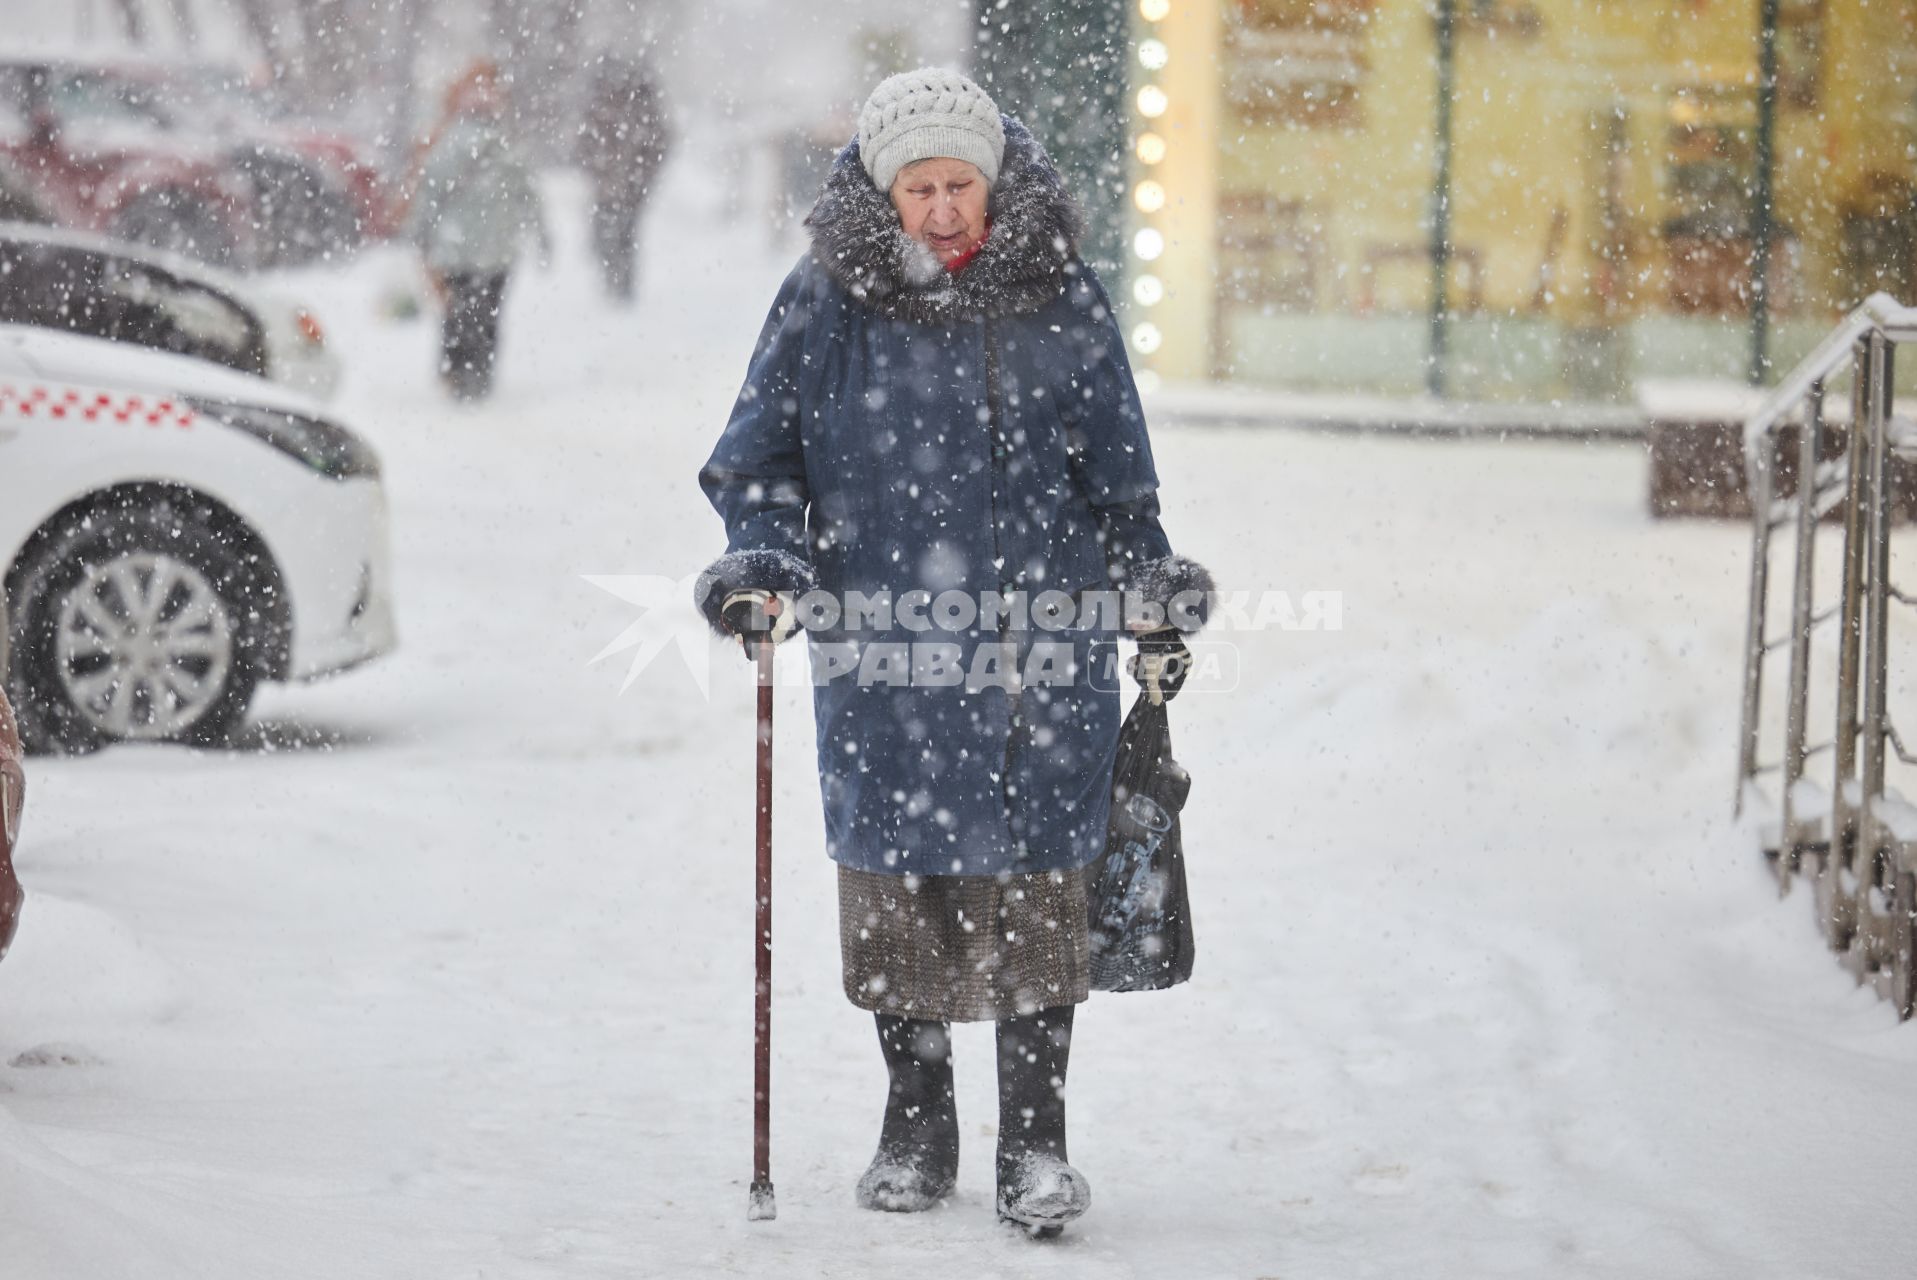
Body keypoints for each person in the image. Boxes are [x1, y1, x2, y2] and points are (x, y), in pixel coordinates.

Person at [693, 68, 1211, 1236]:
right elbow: (758, 460)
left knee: (1040, 882)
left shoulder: (1059, 295)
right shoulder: (827, 298)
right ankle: (916, 1120)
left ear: (994, 181)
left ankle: (1036, 1140)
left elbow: (1122, 476)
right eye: (918, 187)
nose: (940, 209)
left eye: (958, 184)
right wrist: (765, 563)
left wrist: (1147, 579)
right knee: (896, 879)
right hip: (888, 647)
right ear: (884, 193)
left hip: (1044, 640)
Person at [406, 61, 547, 401]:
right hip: (498, 250)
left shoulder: (449, 144)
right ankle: (481, 375)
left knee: (456, 314)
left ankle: (455, 372)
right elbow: (528, 195)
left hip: (456, 250)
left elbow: (430, 191)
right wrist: (542, 235)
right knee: (489, 314)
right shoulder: (506, 147)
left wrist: (420, 232)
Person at [577, 57, 672, 303]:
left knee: (622, 233)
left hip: (628, 188)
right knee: (610, 233)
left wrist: (639, 176)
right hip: (615, 186)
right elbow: (584, 145)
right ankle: (614, 277)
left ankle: (620, 282)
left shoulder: (637, 111)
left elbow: (658, 145)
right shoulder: (606, 111)